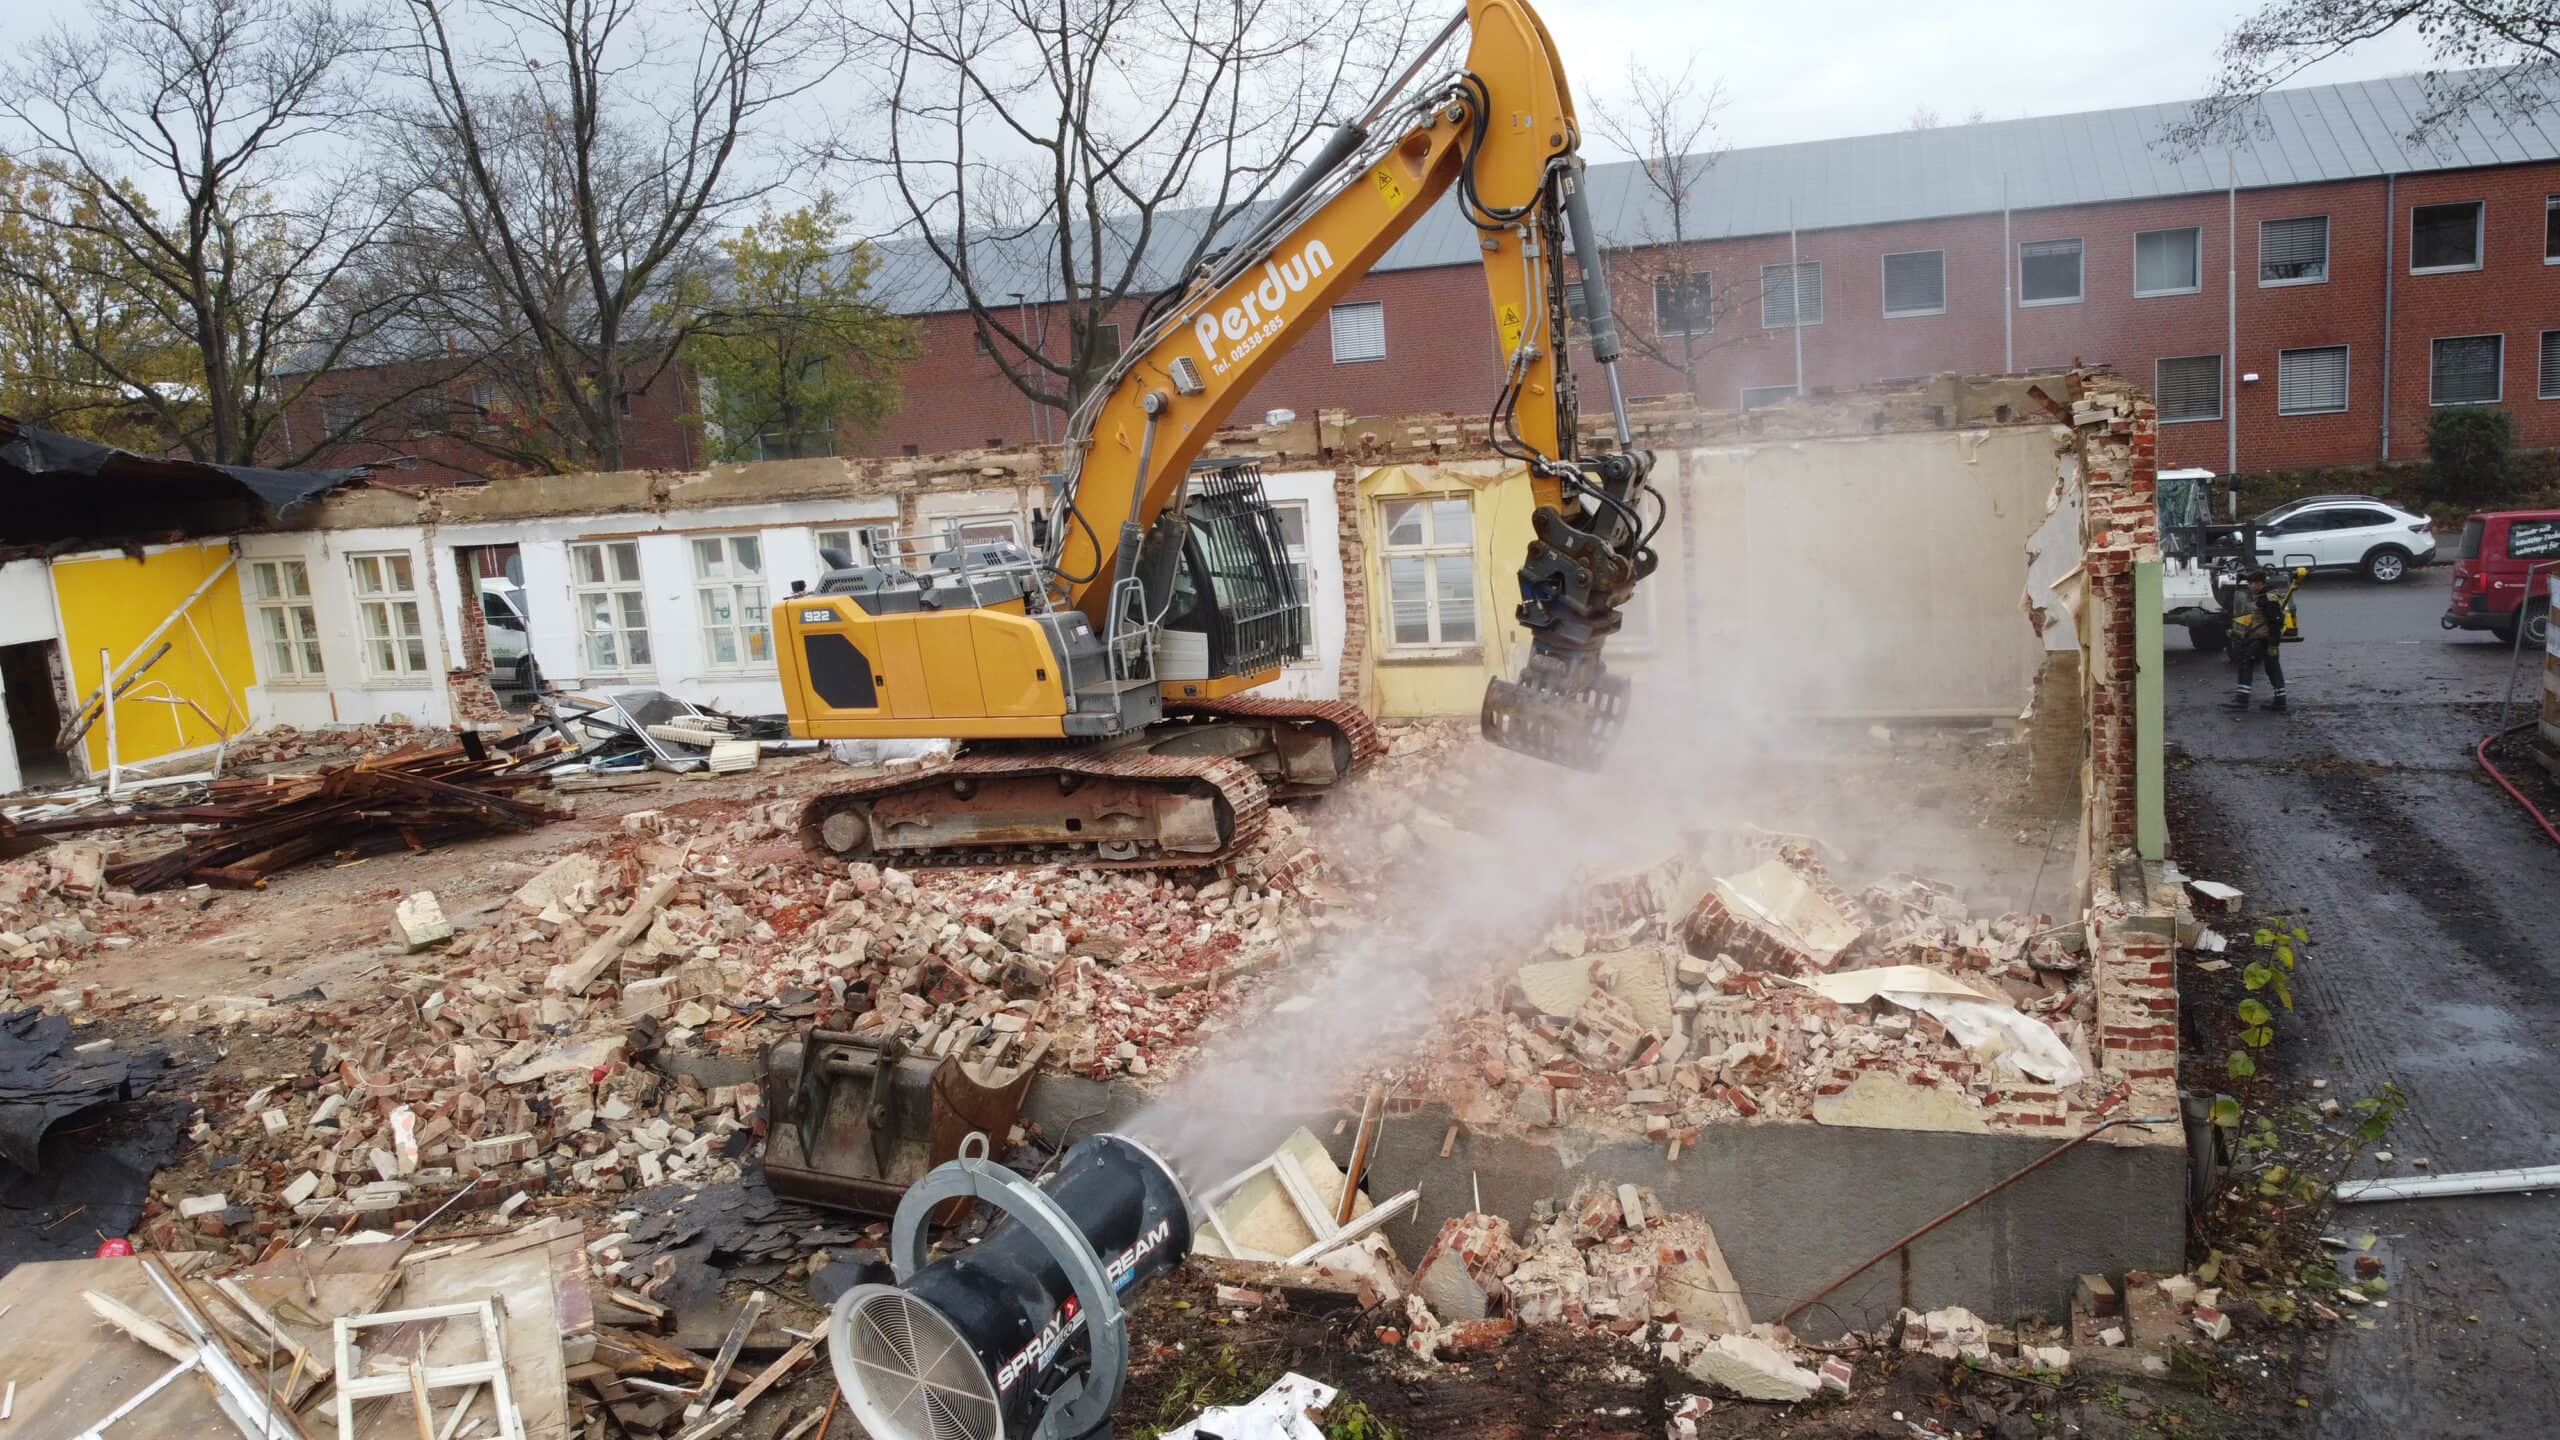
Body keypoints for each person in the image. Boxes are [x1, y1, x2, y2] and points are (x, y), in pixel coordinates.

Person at [2226, 568, 2290, 713]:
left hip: (2264, 640)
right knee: (2272, 668)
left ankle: (2242, 700)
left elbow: (2276, 622)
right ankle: (2280, 701)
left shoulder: (2267, 599)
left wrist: (2273, 644)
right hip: (2265, 639)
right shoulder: (2264, 597)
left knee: (2246, 662)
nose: (2249, 586)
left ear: (2260, 584)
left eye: (2252, 583)